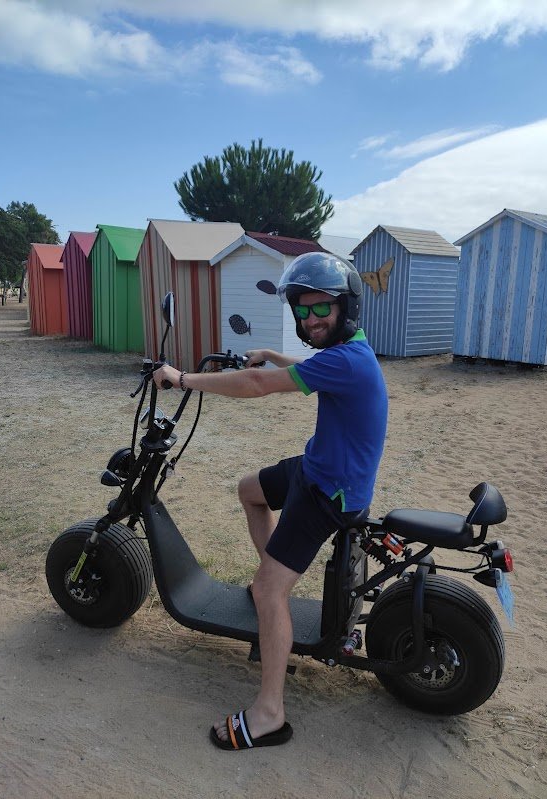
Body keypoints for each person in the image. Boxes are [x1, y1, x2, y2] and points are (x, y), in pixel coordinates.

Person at [154, 252, 388, 751]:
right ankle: (271, 591)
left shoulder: (350, 360)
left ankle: (269, 713)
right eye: (301, 311)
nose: (310, 319)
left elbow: (258, 386)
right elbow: (309, 369)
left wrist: (183, 379)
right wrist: (277, 355)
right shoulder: (352, 352)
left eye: (321, 307)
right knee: (249, 490)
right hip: (320, 469)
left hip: (331, 493)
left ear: (346, 306)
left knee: (267, 591)